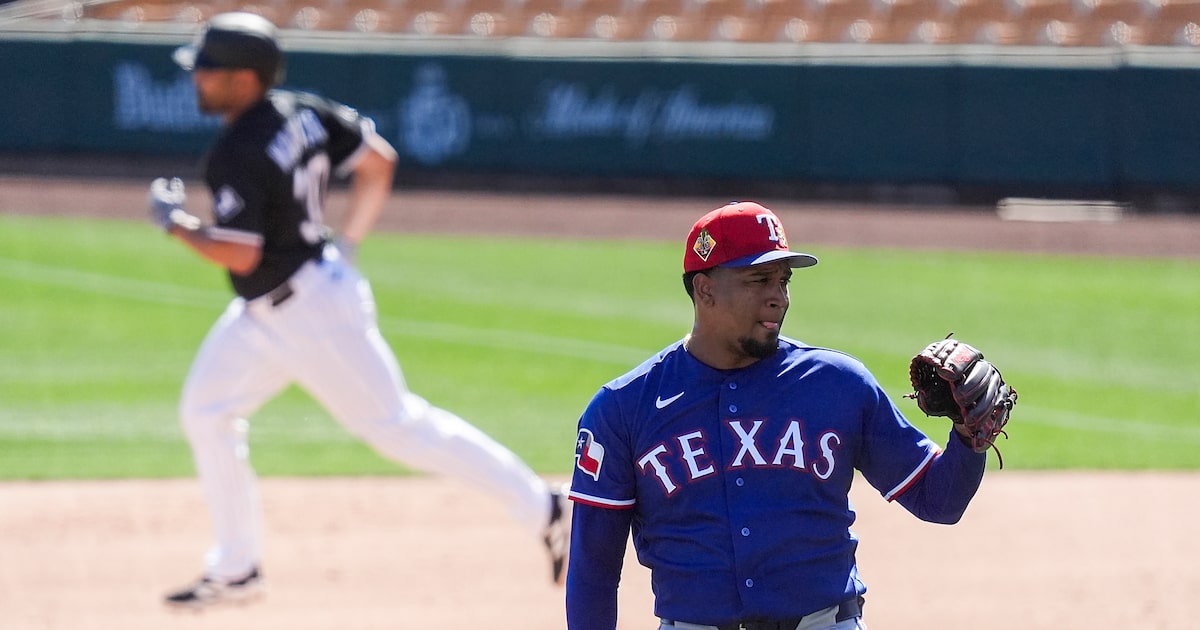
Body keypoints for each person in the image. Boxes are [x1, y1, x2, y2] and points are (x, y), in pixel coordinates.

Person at [149, 11, 569, 609]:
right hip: (276, 308)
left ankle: (545, 507)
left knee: (399, 426)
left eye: (209, 70)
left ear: (244, 79)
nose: (197, 79)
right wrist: (348, 245)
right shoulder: (305, 111)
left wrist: (176, 223)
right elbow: (380, 160)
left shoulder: (236, 151)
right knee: (206, 411)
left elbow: (240, 254)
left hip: (308, 313)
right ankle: (238, 567)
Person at [565, 201, 998, 630]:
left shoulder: (838, 384)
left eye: (783, 280)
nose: (778, 297)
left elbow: (939, 501)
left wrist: (968, 436)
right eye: (758, 279)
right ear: (705, 289)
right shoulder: (622, 408)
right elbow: (593, 572)